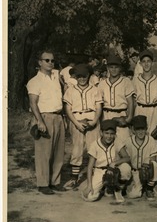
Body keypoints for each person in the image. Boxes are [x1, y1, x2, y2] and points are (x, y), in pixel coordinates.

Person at [26, 49, 66, 195]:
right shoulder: (34, 81)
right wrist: (40, 121)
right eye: (47, 60)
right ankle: (43, 184)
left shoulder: (55, 77)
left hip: (58, 117)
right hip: (45, 117)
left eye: (52, 60)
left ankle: (55, 181)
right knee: (44, 152)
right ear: (40, 62)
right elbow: (33, 103)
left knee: (58, 152)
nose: (50, 63)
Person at [63, 64, 103, 189]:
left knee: (94, 147)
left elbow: (98, 107)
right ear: (76, 77)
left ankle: (95, 176)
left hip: (91, 119)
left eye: (84, 76)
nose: (82, 79)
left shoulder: (95, 89)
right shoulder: (70, 90)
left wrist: (95, 121)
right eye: (79, 76)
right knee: (77, 149)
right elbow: (68, 109)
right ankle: (74, 178)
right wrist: (76, 123)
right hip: (77, 119)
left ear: (89, 76)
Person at [82, 120, 132, 203]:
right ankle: (105, 187)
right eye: (107, 133)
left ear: (115, 134)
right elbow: (90, 167)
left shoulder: (117, 141)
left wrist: (115, 163)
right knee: (90, 197)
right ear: (101, 133)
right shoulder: (95, 144)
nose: (109, 136)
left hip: (114, 169)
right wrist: (89, 185)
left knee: (126, 168)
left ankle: (117, 189)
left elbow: (127, 158)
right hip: (100, 170)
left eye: (112, 134)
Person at [118, 115, 157, 200]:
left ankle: (149, 188)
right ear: (133, 130)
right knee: (133, 195)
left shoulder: (151, 140)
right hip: (134, 172)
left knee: (154, 165)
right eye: (138, 129)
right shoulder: (128, 141)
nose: (140, 132)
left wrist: (147, 166)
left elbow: (153, 158)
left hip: (147, 169)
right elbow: (123, 158)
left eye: (143, 129)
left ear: (146, 128)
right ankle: (128, 184)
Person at [98, 54, 135, 141]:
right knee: (108, 142)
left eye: (116, 67)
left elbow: (131, 102)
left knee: (124, 141)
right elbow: (99, 103)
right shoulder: (102, 83)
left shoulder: (126, 81)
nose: (114, 70)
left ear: (120, 68)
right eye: (111, 67)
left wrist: (129, 118)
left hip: (121, 114)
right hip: (106, 114)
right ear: (108, 68)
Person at [133, 50, 157, 136]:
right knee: (140, 138)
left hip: (154, 111)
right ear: (141, 64)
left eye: (149, 61)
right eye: (144, 61)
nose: (146, 64)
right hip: (140, 110)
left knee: (153, 138)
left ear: (152, 63)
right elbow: (133, 102)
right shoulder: (135, 80)